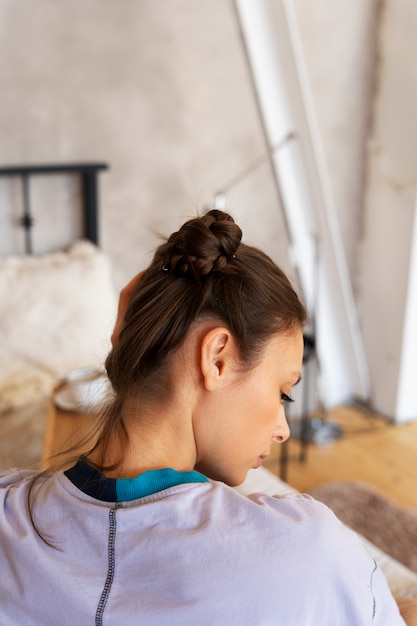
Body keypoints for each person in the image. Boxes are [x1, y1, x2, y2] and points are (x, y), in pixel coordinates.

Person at [0, 209, 415, 625]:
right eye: (282, 393)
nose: (283, 430)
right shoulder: (307, 550)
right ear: (216, 359)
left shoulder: (8, 518)